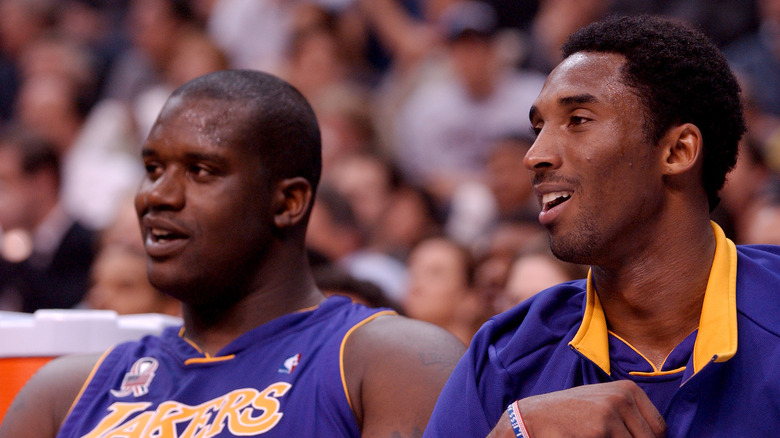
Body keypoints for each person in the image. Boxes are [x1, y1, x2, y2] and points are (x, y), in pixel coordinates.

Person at [0, 69, 465, 437]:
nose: (156, 196)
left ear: (288, 202)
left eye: (201, 170)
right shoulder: (62, 394)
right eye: (153, 168)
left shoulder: (393, 363)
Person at [424, 15, 780, 437]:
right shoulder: (506, 354)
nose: (534, 154)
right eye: (538, 128)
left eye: (578, 120)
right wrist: (516, 431)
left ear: (678, 151)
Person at [0, 128, 96, 312]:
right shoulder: (9, 247)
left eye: (5, 182)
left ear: (43, 182)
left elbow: (64, 309)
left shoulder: (88, 244)